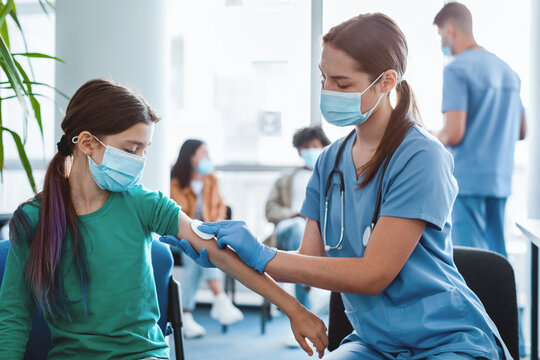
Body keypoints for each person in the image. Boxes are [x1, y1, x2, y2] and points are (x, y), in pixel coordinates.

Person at [176, 13, 513, 359]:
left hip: (446, 339)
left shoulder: (422, 156)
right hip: (374, 342)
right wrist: (228, 259)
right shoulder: (328, 162)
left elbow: (373, 274)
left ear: (386, 81)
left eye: (342, 83)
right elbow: (308, 265)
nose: (327, 92)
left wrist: (263, 255)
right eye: (324, 78)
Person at [0, 79, 328, 359]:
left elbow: (218, 253)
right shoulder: (33, 220)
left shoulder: (144, 203)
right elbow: (14, 318)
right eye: (131, 149)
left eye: (146, 149)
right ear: (87, 143)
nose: (140, 161)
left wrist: (294, 310)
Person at [433, 2, 526, 257]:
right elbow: (522, 131)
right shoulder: (509, 72)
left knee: (472, 260)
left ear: (450, 30)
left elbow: (453, 133)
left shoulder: (456, 69)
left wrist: (430, 137)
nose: (441, 41)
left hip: (469, 181)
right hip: (500, 181)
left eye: (440, 34)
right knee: (497, 256)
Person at [170, 139, 243, 338]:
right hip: (177, 237)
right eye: (204, 153)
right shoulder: (175, 182)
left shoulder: (211, 179)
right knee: (194, 246)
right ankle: (219, 298)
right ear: (192, 157)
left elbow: (221, 206)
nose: (208, 158)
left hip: (205, 235)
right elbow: (180, 215)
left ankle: (186, 314)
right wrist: (198, 230)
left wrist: (215, 224)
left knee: (197, 250)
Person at [265, 126, 330, 308]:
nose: (310, 150)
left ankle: (312, 288)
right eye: (305, 147)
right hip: (289, 227)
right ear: (299, 150)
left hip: (322, 230)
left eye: (314, 145)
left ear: (324, 146)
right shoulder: (286, 178)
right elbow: (270, 210)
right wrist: (293, 214)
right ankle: (305, 303)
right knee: (299, 228)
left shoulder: (332, 176)